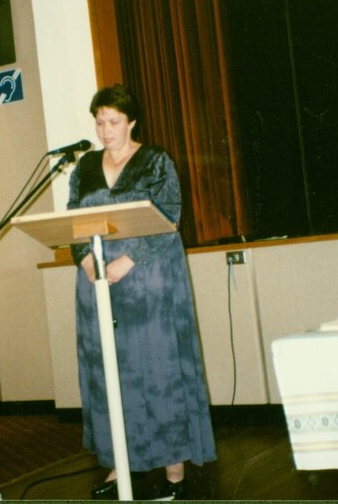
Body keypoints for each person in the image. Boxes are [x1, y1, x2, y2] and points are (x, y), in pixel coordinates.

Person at [67, 84, 216, 500]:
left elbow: (168, 216)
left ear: (131, 122)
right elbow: (74, 220)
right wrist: (87, 259)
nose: (104, 130)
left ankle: (173, 462)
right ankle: (120, 461)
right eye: (99, 121)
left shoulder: (154, 161)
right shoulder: (84, 168)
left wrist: (124, 263)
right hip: (96, 278)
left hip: (146, 277)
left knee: (156, 368)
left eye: (113, 121)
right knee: (108, 370)